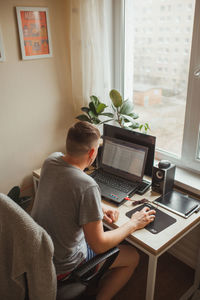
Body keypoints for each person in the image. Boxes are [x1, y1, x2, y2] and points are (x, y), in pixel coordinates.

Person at [31, 121, 156, 300]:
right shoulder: (87, 186)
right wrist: (133, 223)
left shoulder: (51, 160)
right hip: (64, 266)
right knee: (133, 256)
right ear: (92, 153)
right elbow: (99, 245)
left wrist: (99, 206)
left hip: (41, 254)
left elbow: (67, 193)